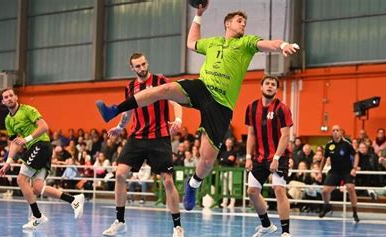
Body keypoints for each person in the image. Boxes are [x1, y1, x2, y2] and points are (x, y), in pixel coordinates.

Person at [95, 2, 300, 211]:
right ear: (227, 24)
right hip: (202, 87)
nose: (243, 25)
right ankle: (114, 110)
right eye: (239, 21)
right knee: (162, 89)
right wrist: (199, 15)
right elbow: (192, 42)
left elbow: (268, 44)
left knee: (207, 158)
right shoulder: (212, 43)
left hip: (221, 105)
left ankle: (193, 184)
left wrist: (282, 45)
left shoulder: (246, 43)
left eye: (245, 22)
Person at [101, 53, 185, 237]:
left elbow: (175, 100)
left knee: (168, 181)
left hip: (159, 136)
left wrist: (178, 119)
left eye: (144, 64)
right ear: (132, 68)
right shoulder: (130, 87)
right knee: (120, 174)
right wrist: (120, 126)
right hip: (137, 137)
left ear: (147, 63)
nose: (142, 68)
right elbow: (129, 110)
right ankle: (120, 221)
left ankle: (178, 227)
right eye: (137, 66)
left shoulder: (161, 80)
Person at [0, 89, 85, 230]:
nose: (9, 98)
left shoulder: (28, 110)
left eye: (11, 96)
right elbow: (15, 142)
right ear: (3, 102)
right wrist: (8, 162)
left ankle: (37, 216)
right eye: (5, 97)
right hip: (35, 149)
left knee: (21, 179)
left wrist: (26, 139)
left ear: (16, 97)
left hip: (41, 145)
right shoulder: (8, 120)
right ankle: (74, 200)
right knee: (38, 188)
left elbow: (44, 127)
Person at [245, 75, 293, 237]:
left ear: (276, 89)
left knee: (279, 189)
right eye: (267, 83)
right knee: (252, 192)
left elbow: (286, 136)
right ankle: (266, 225)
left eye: (273, 84)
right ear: (261, 87)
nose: (270, 86)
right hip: (259, 156)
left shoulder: (282, 108)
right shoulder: (251, 107)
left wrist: (277, 158)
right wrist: (249, 157)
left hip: (279, 155)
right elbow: (251, 134)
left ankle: (286, 233)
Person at [319, 125, 360, 223]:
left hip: (347, 171)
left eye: (337, 130)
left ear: (341, 132)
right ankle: (326, 206)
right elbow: (324, 159)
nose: (335, 132)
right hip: (334, 171)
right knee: (325, 191)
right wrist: (320, 171)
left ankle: (355, 212)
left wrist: (354, 168)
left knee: (350, 188)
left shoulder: (347, 143)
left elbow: (356, 155)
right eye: (333, 130)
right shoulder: (329, 145)